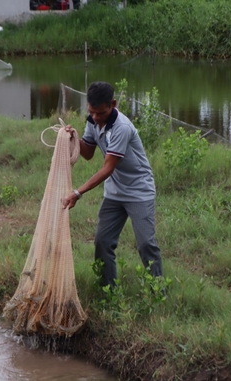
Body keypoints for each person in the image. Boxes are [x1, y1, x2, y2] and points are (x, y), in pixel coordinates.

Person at [62, 81, 163, 288]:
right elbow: (88, 153)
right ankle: (108, 290)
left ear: (113, 104)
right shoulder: (93, 120)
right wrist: (71, 138)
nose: (96, 118)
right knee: (102, 242)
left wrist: (77, 193)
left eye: (101, 113)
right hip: (115, 192)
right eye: (92, 112)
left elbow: (108, 168)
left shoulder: (122, 127)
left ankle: (158, 291)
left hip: (138, 191)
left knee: (146, 245)